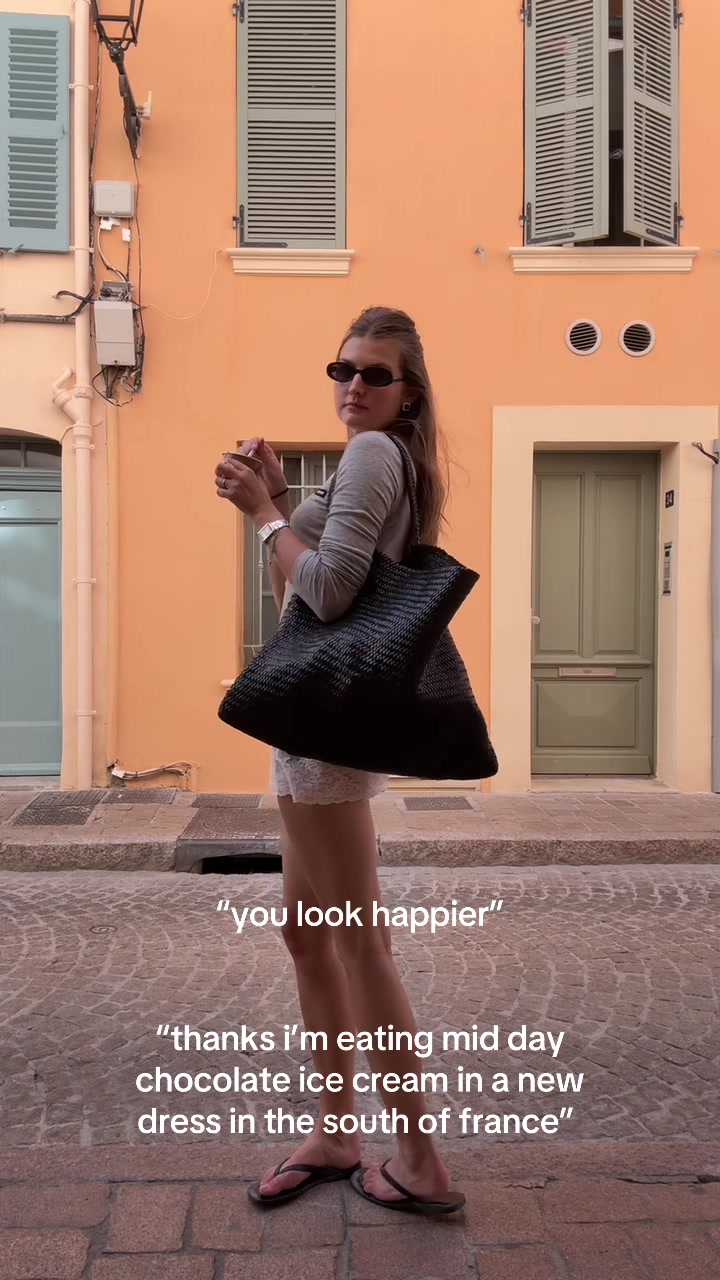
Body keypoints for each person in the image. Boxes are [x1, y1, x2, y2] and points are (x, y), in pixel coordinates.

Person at [214, 306, 465, 1215]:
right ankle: (334, 1130)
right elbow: (298, 571)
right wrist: (280, 503)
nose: (353, 385)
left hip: (322, 732)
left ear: (408, 394)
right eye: (343, 369)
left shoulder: (371, 456)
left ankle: (420, 1162)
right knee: (306, 933)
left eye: (375, 374)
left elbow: (321, 593)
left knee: (359, 943)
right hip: (309, 728)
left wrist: (260, 514)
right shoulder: (375, 460)